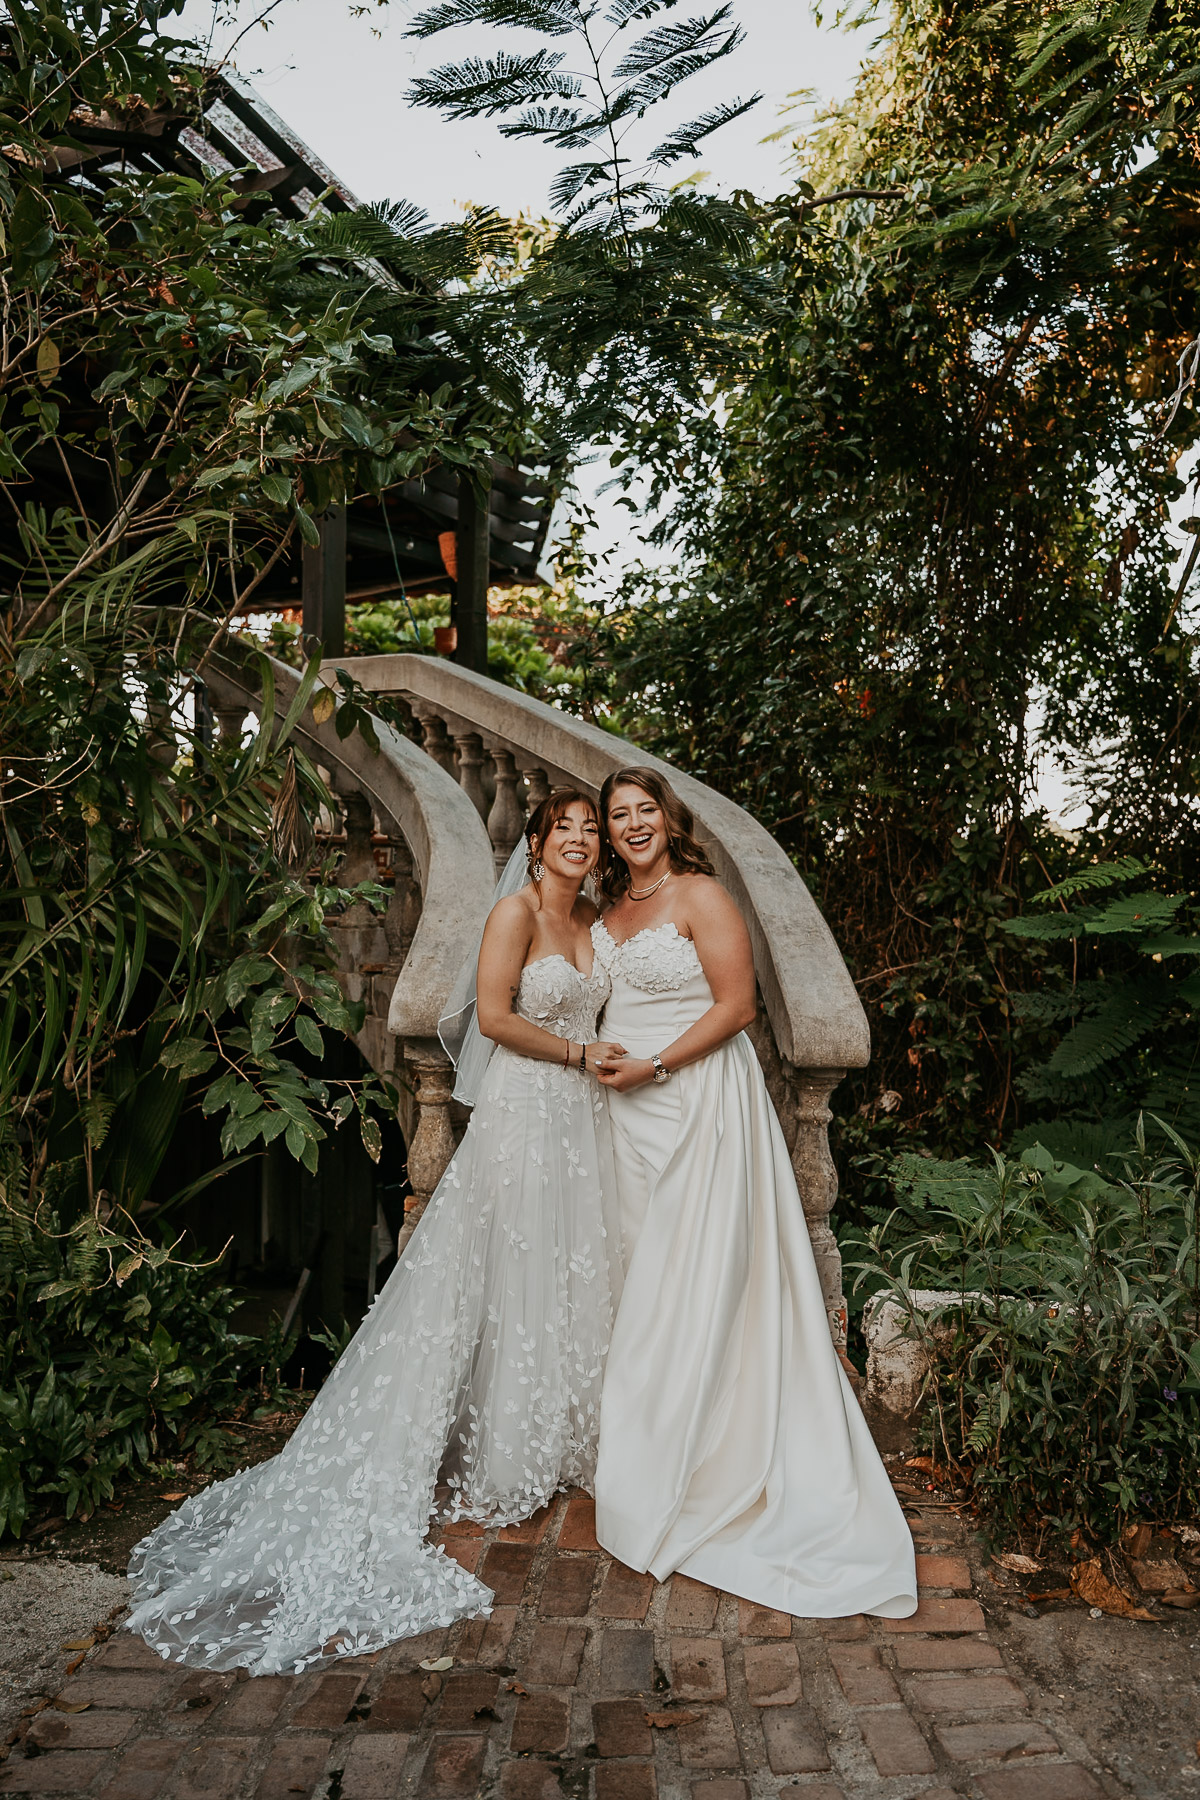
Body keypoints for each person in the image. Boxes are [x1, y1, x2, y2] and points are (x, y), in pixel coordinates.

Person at [125, 792, 625, 1673]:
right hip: (524, 1114)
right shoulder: (514, 912)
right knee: (500, 1271)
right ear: (538, 844)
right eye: (567, 830)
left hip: (584, 1123)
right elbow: (499, 1018)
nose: (582, 841)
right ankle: (504, 1453)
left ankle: (564, 1439)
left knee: (569, 1270)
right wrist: (581, 1055)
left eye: (592, 830)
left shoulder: (593, 917)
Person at [590, 768, 917, 1620]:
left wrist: (656, 1064)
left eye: (643, 811)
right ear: (605, 828)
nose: (632, 825)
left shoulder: (701, 895)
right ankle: (646, 1443)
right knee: (640, 1281)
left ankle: (708, 1460)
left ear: (668, 819)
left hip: (698, 1103)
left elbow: (737, 1007)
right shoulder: (607, 912)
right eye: (617, 814)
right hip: (622, 1117)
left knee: (700, 1286)